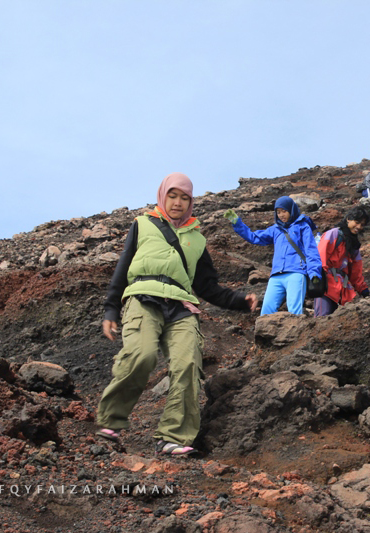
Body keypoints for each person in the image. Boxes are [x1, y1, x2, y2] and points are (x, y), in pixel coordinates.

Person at [96, 173, 258, 456]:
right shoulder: (142, 224)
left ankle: (173, 437)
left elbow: (207, 286)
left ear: (190, 202)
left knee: (188, 365)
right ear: (162, 196)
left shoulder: (197, 239)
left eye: (184, 198)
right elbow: (122, 267)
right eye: (172, 196)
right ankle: (110, 420)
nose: (178, 203)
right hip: (143, 297)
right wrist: (111, 308)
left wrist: (239, 301)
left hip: (182, 306)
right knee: (141, 355)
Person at [223, 196, 321, 316]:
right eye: (278, 212)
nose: (281, 215)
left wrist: (314, 273)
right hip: (276, 275)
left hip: (296, 273)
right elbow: (254, 237)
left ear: (291, 210)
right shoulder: (275, 229)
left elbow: (311, 251)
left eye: (284, 211)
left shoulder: (303, 226)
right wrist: (236, 222)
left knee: (295, 311)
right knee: (266, 311)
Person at [314, 206, 370, 316]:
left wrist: (363, 290)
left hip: (341, 288)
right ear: (348, 219)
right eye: (357, 222)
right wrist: (318, 279)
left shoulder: (354, 245)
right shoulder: (334, 234)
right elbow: (321, 255)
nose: (359, 227)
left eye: (362, 224)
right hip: (327, 285)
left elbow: (356, 271)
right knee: (322, 317)